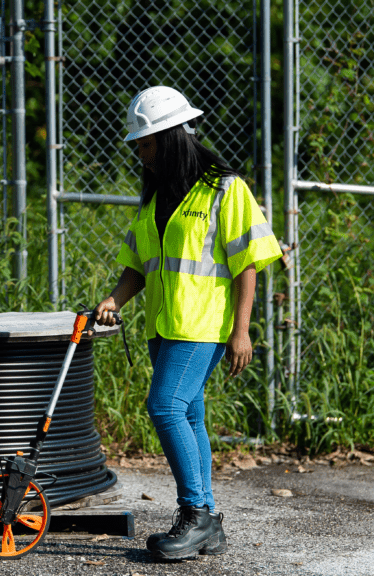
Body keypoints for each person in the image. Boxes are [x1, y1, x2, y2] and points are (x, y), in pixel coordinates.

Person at [93, 86, 282, 560]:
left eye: (146, 143)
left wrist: (242, 331)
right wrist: (113, 299)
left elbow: (249, 264)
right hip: (164, 324)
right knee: (190, 415)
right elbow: (138, 265)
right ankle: (209, 524)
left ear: (171, 136)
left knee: (165, 407)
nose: (140, 153)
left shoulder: (225, 188)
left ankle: (194, 513)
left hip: (202, 326)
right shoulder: (156, 196)